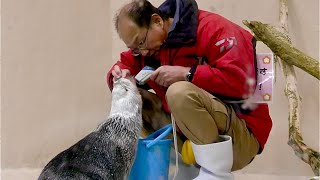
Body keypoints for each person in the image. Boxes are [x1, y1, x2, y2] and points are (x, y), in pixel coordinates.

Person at [106, 0, 273, 179]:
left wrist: (188, 73)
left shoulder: (215, 29)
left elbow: (241, 82)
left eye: (141, 42)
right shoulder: (150, 47)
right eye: (135, 49)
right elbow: (124, 64)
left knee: (178, 93)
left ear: (157, 21)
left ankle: (214, 173)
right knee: (133, 98)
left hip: (239, 138)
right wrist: (119, 77)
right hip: (189, 138)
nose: (143, 51)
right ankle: (180, 170)